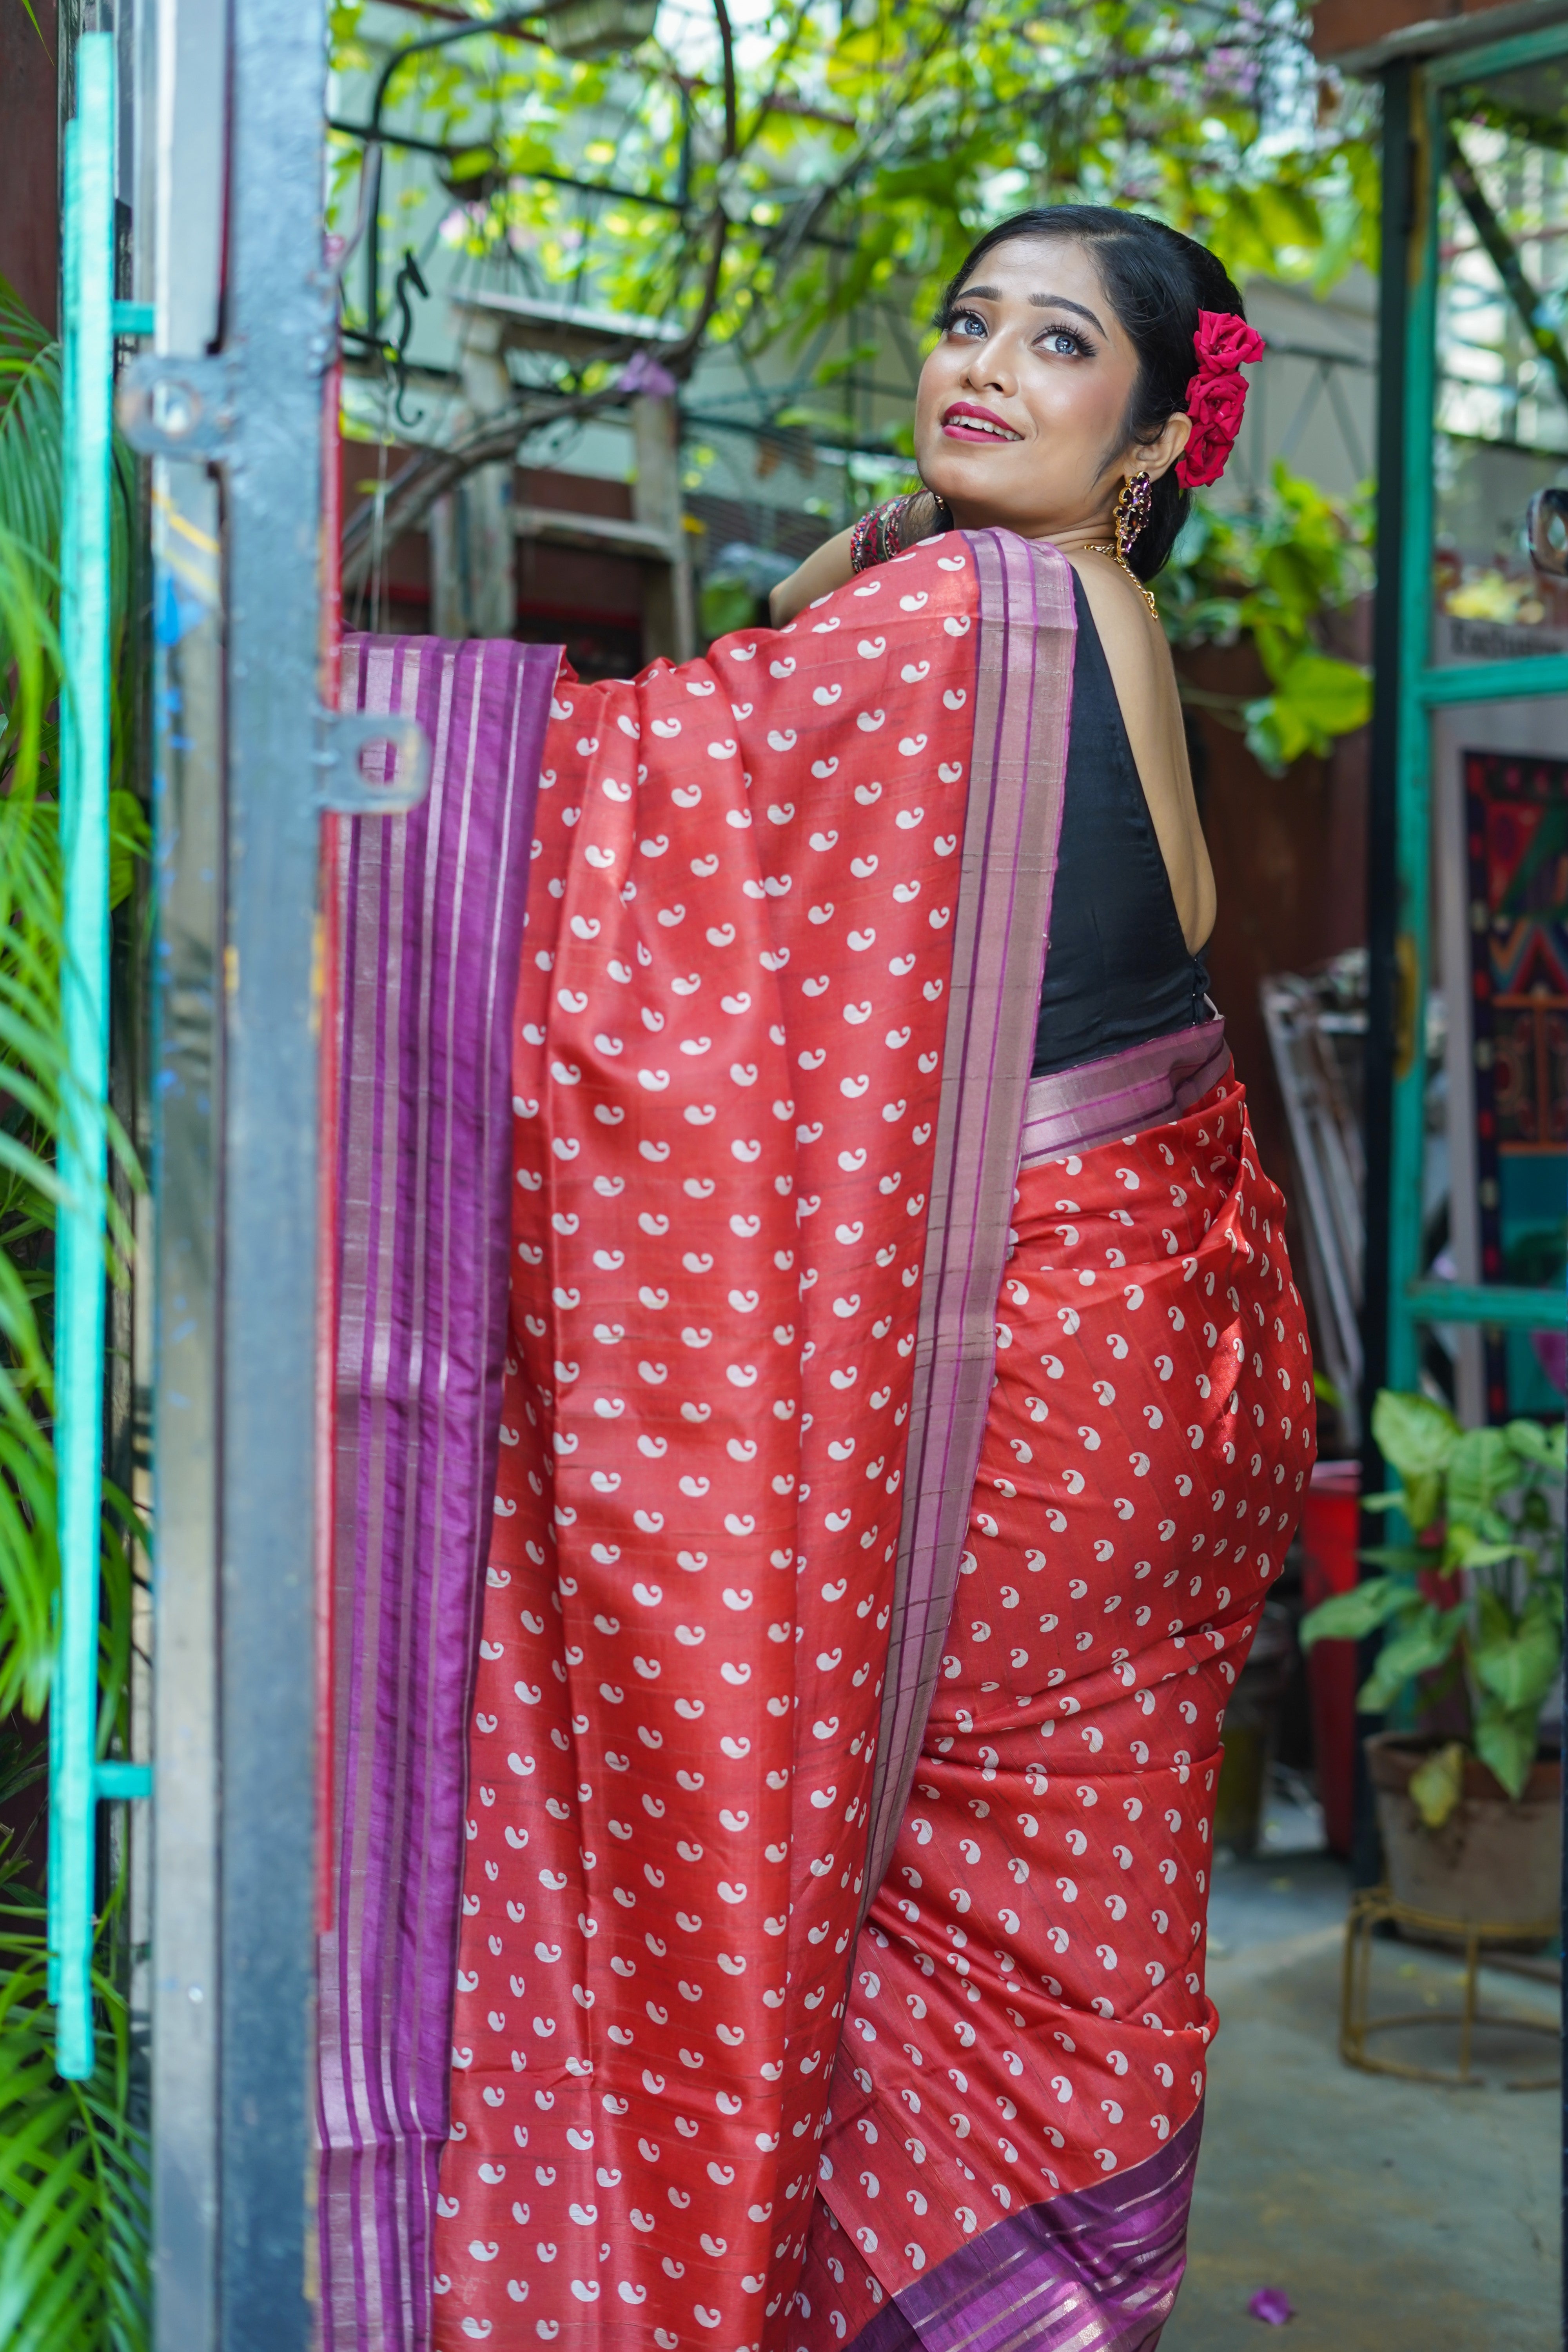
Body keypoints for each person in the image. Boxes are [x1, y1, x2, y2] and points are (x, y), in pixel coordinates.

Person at [420, 205, 1314, 2352]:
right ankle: (1048, 2297)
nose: (981, 361)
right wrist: (855, 563)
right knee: (1035, 1931)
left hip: (1038, 1395)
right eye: (967, 320)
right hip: (1184, 1376)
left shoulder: (979, 614)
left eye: (1059, 343)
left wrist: (358, 747)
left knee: (856, 1893)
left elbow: (646, 823)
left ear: (1151, 442)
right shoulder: (1093, 621)